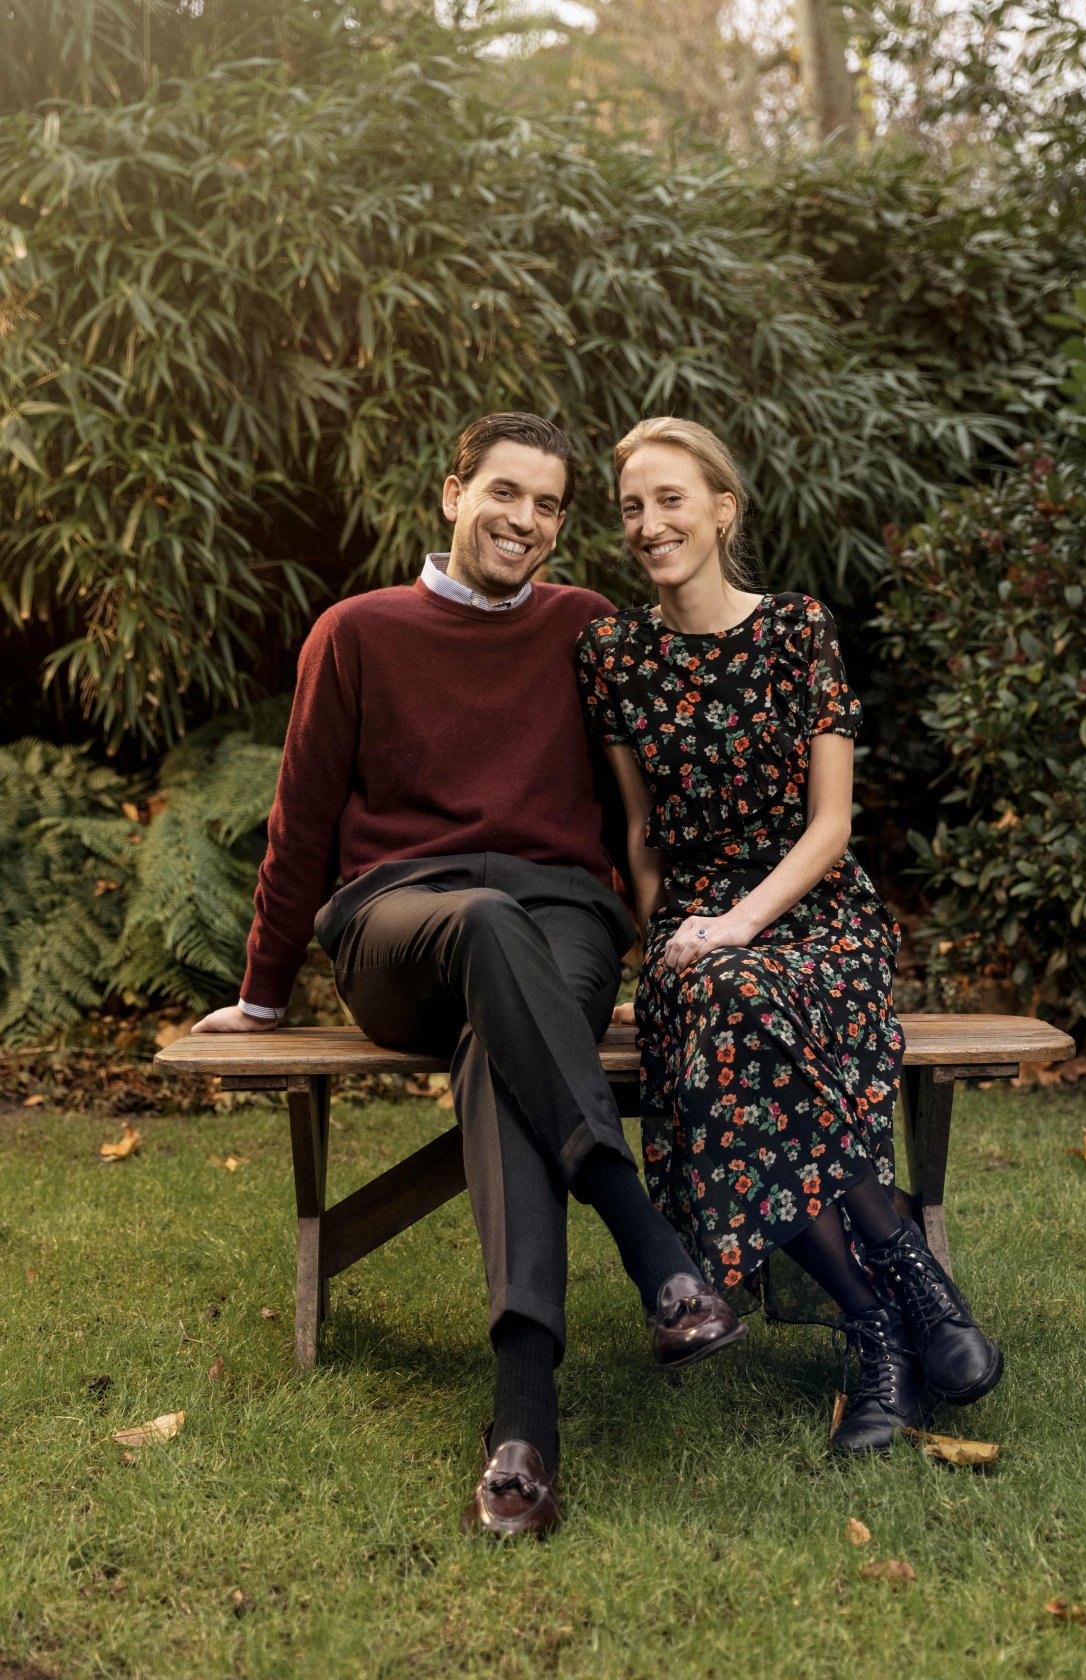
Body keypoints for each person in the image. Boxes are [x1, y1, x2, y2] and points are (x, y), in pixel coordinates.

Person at [192, 413, 746, 1539]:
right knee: (489, 924)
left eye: (548, 506)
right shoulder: (357, 632)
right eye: (505, 493)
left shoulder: (587, 629)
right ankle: (652, 1248)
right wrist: (260, 992)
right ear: (452, 492)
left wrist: (700, 940)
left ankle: (524, 1428)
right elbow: (300, 823)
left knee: (508, 1033)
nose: (526, 522)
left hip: (563, 920)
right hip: (402, 924)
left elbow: (655, 806)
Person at [575, 416, 1003, 1455]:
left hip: (815, 915)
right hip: (693, 933)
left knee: (745, 1007)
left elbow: (832, 826)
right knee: (723, 1002)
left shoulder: (797, 628)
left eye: (671, 499)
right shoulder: (613, 654)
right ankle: (895, 1309)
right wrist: (671, 934)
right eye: (632, 506)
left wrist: (738, 925)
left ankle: (886, 1310)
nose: (649, 523)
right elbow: (637, 833)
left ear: (724, 509)